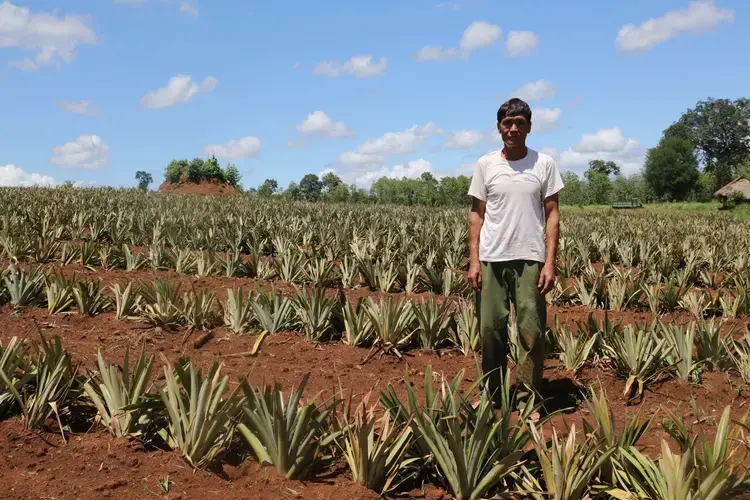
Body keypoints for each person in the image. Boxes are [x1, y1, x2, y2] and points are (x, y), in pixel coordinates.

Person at [467, 98, 563, 414]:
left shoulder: (544, 164)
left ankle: (527, 398)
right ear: (499, 127)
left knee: (531, 332)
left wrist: (550, 262)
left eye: (520, 123)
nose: (513, 129)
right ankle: (493, 394)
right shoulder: (485, 165)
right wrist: (473, 260)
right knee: (491, 331)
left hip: (531, 258)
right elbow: (476, 215)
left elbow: (553, 214)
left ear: (529, 127)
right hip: (492, 258)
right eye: (507, 123)